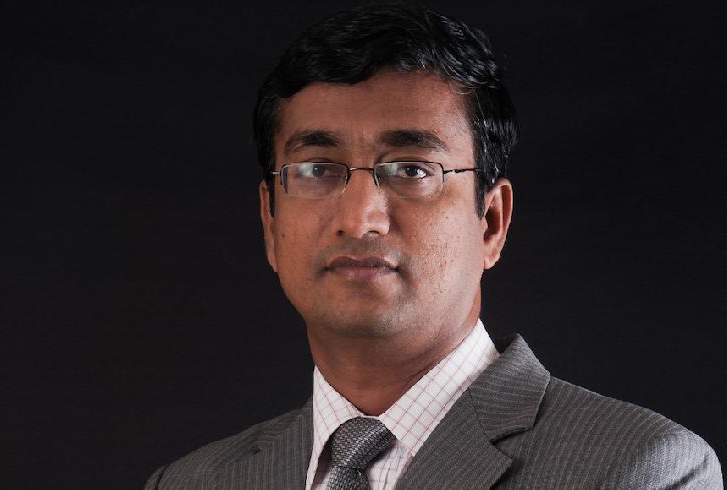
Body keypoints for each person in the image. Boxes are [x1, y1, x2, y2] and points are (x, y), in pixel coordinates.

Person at [145, 4, 722, 489]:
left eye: (412, 169)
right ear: (271, 223)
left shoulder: (640, 470)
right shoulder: (191, 482)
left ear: (491, 222)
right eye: (317, 168)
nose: (359, 218)